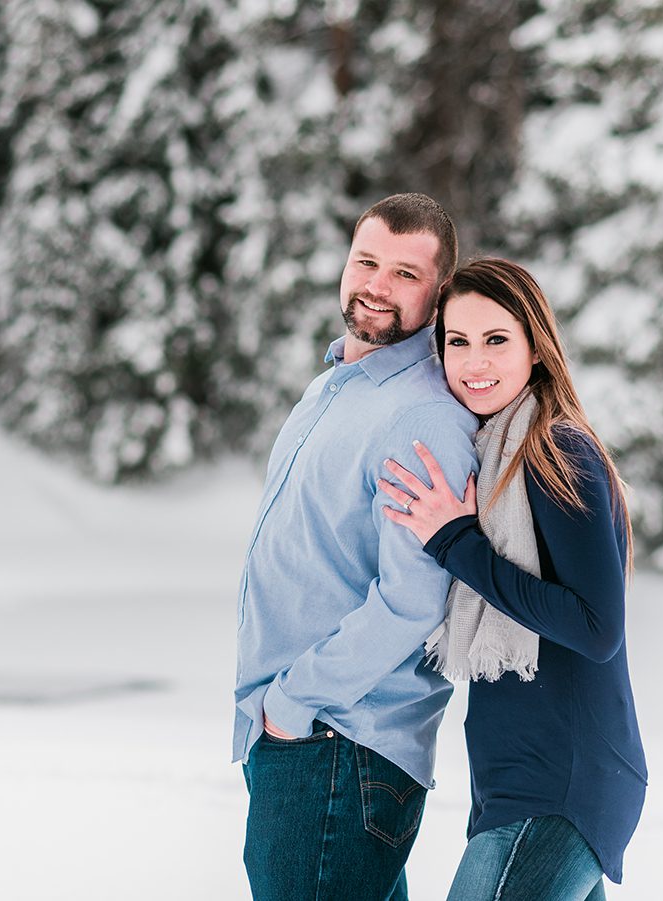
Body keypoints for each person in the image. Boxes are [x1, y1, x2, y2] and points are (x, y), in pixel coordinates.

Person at [376, 258, 647, 901]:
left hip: (560, 789)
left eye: (496, 340)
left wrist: (454, 543)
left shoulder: (557, 453)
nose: (475, 362)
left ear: (536, 347)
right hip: (519, 785)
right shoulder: (496, 454)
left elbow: (595, 627)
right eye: (457, 341)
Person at [233, 193, 479, 901]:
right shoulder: (334, 386)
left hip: (336, 741)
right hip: (302, 738)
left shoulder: (422, 413)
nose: (376, 283)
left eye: (405, 273)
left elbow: (412, 598)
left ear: (437, 295)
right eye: (367, 261)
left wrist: (293, 702)